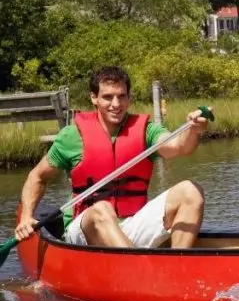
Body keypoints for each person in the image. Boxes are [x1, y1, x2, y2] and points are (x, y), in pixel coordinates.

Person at [14, 66, 211, 249]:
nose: (116, 104)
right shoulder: (72, 136)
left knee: (191, 191)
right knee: (102, 209)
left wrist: (193, 131)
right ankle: (140, 270)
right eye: (108, 97)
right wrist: (26, 217)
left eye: (121, 96)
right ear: (94, 98)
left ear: (129, 98)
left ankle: (177, 266)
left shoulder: (146, 131)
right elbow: (37, 177)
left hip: (132, 225)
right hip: (84, 231)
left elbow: (179, 146)